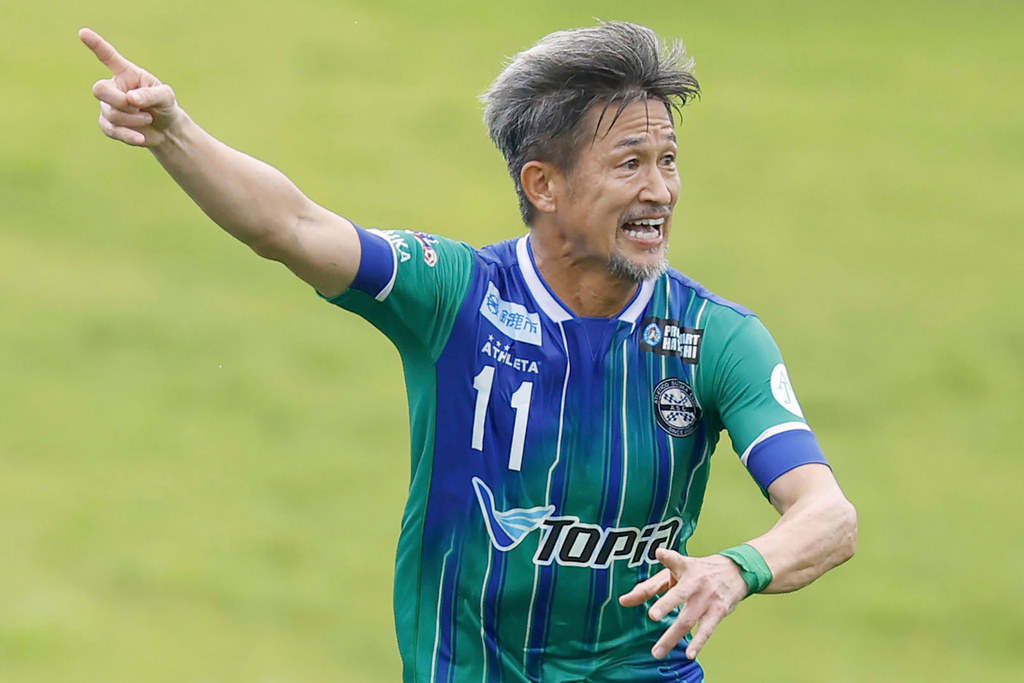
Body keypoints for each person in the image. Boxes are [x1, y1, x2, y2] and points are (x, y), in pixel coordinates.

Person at [81, 21, 857, 682]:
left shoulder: (715, 337)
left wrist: (736, 567)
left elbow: (827, 514)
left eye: (668, 159)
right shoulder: (456, 293)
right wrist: (174, 132)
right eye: (629, 164)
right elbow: (292, 227)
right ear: (543, 185)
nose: (661, 190)